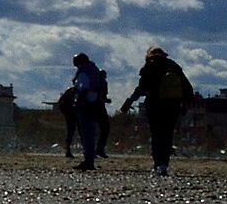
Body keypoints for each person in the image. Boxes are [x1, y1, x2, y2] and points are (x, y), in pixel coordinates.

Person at [121, 45, 195, 174]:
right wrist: (185, 105)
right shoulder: (174, 66)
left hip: (154, 105)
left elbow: (141, 88)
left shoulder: (150, 66)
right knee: (167, 135)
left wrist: (129, 101)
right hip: (172, 106)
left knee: (156, 135)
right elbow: (187, 88)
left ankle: (158, 163)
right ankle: (164, 163)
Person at [68, 53, 104, 170]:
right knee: (90, 133)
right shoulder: (94, 70)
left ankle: (88, 160)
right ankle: (89, 159)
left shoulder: (84, 72)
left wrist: (77, 102)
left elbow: (83, 88)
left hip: (86, 104)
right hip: (94, 104)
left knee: (86, 133)